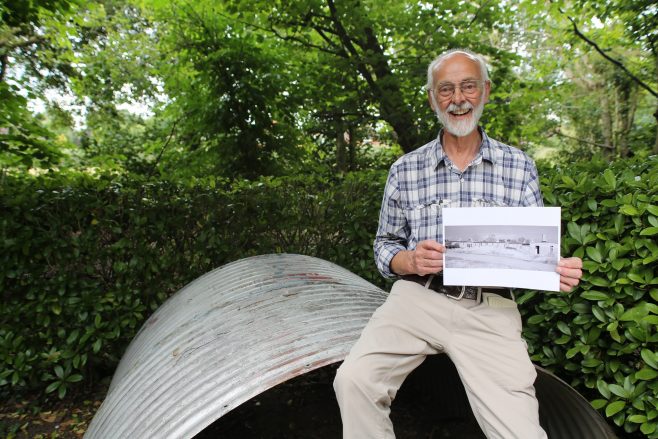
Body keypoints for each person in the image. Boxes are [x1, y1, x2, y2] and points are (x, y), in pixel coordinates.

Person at [333, 48, 584, 439]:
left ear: (484, 91)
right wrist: (411, 260)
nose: (458, 98)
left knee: (522, 433)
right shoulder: (405, 169)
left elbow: (536, 250)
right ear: (433, 98)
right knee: (353, 381)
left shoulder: (518, 166)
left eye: (468, 86)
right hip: (416, 300)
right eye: (446, 89)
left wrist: (557, 268)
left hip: (489, 308)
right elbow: (384, 246)